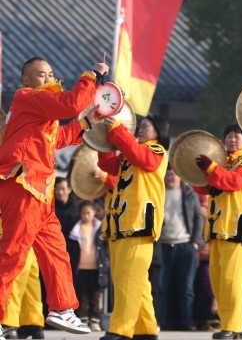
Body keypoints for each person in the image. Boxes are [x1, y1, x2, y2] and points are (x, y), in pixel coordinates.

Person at [0, 57, 107, 337]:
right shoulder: (26, 97)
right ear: (25, 80)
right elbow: (71, 104)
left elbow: (57, 139)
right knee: (13, 254)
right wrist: (91, 76)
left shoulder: (41, 114)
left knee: (57, 252)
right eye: (40, 75)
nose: (48, 79)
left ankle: (62, 308)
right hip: (23, 183)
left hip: (40, 189)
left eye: (50, 74)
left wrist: (87, 122)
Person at [97, 113, 170, 340]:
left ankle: (120, 329)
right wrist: (101, 140)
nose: (140, 129)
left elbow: (142, 157)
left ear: (158, 132)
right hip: (121, 223)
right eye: (140, 126)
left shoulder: (156, 151)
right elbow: (107, 163)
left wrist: (118, 130)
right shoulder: (131, 154)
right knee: (132, 280)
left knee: (127, 279)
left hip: (140, 223)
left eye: (146, 126)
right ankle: (145, 329)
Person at [193, 123, 242, 339]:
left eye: (237, 137)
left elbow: (232, 182)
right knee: (219, 281)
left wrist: (211, 168)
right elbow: (204, 187)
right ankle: (233, 326)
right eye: (229, 136)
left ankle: (231, 327)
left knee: (233, 282)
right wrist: (194, 170)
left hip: (237, 231)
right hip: (218, 230)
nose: (232, 140)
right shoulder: (222, 163)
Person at [158, 168, 203, 331]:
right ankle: (160, 321)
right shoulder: (159, 192)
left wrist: (196, 242)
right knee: (161, 287)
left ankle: (187, 321)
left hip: (185, 244)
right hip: (163, 244)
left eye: (174, 174)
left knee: (187, 288)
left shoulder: (190, 193)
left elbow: (199, 217)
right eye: (168, 174)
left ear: (180, 177)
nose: (171, 177)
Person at [0, 215, 45, 340]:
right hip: (31, 220)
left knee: (13, 272)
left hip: (13, 219)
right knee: (29, 275)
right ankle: (32, 323)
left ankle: (7, 322)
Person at [67, 201, 110, 332]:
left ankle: (95, 320)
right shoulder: (76, 228)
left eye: (88, 213)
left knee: (96, 296)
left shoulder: (99, 228)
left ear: (94, 213)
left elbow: (105, 248)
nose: (86, 216)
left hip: (96, 267)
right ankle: (83, 319)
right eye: (83, 213)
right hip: (81, 267)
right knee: (82, 295)